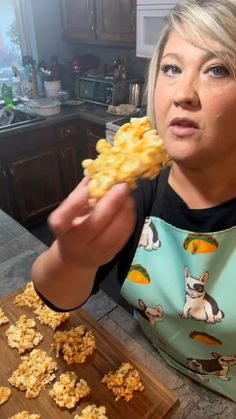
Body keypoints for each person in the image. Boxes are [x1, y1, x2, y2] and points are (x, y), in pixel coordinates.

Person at [32, 0, 236, 401]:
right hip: (148, 370)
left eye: (217, 69)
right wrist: (74, 258)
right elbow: (55, 296)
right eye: (171, 68)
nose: (183, 93)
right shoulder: (141, 189)